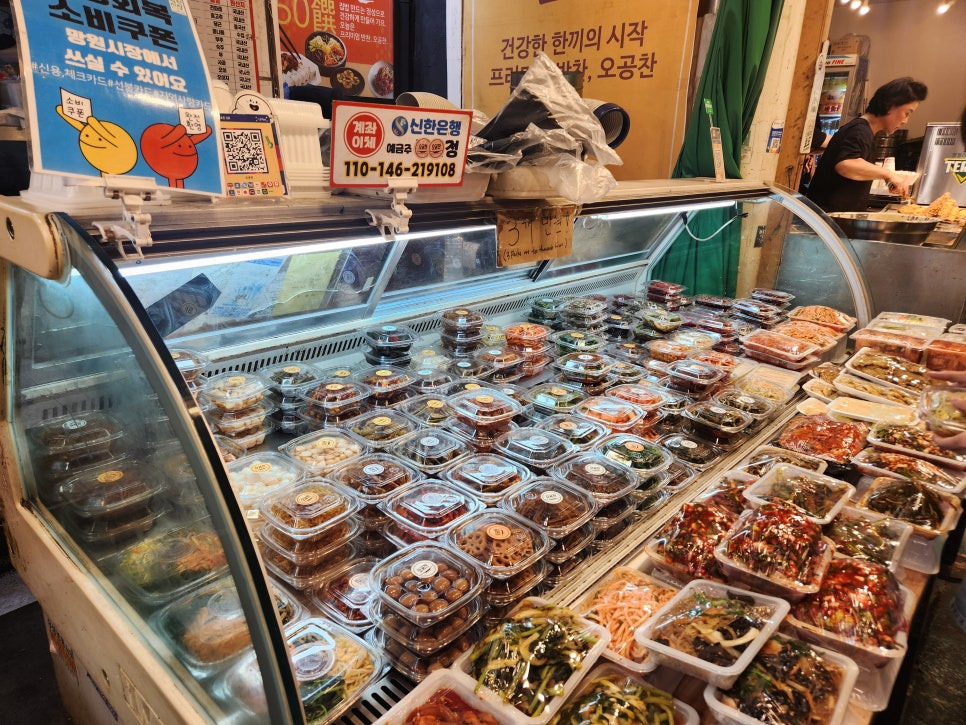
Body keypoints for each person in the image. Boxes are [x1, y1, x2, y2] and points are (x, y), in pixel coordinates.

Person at [806, 77, 927, 213]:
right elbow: (846, 165)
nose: (905, 121)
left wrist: (886, 179)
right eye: (907, 113)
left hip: (833, 219)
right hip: (825, 220)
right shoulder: (859, 131)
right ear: (889, 106)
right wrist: (888, 175)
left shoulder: (866, 131)